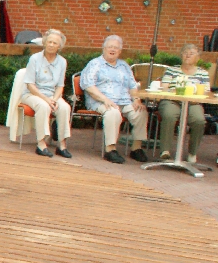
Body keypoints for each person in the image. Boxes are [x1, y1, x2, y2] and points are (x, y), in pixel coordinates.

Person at [80, 34, 148, 164]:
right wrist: (105, 99)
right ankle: (110, 149)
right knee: (113, 112)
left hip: (124, 101)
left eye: (116, 48)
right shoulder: (95, 64)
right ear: (104, 48)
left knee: (141, 112)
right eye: (110, 47)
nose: (112, 49)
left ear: (120, 51)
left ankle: (136, 148)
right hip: (101, 101)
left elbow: (132, 85)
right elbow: (88, 85)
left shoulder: (124, 66)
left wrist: (136, 99)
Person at [21, 28, 72, 158]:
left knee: (65, 107)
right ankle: (41, 144)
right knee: (43, 106)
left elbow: (60, 86)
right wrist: (46, 99)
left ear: (59, 46)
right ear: (44, 42)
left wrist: (54, 99)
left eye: (55, 43)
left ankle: (62, 145)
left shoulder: (62, 62)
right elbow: (30, 85)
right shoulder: (35, 59)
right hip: (32, 94)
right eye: (49, 42)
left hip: (52, 95)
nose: (51, 45)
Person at [156, 43, 210, 163]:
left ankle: (192, 152)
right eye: (185, 53)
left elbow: (206, 92)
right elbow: (164, 88)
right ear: (181, 55)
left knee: (199, 120)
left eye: (191, 53)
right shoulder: (172, 70)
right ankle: (165, 151)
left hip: (193, 102)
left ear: (198, 58)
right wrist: (175, 92)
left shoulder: (203, 73)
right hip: (171, 100)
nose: (187, 55)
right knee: (169, 115)